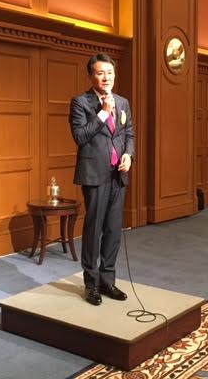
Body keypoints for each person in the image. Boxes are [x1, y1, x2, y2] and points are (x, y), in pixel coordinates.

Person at [69, 53, 135, 306]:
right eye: (100, 73)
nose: (106, 78)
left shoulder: (123, 102)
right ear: (91, 76)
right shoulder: (81, 102)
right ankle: (91, 284)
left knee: (113, 230)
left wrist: (129, 154)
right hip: (94, 175)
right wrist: (103, 114)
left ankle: (108, 281)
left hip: (118, 175)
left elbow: (129, 134)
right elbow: (80, 137)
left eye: (110, 73)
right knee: (94, 229)